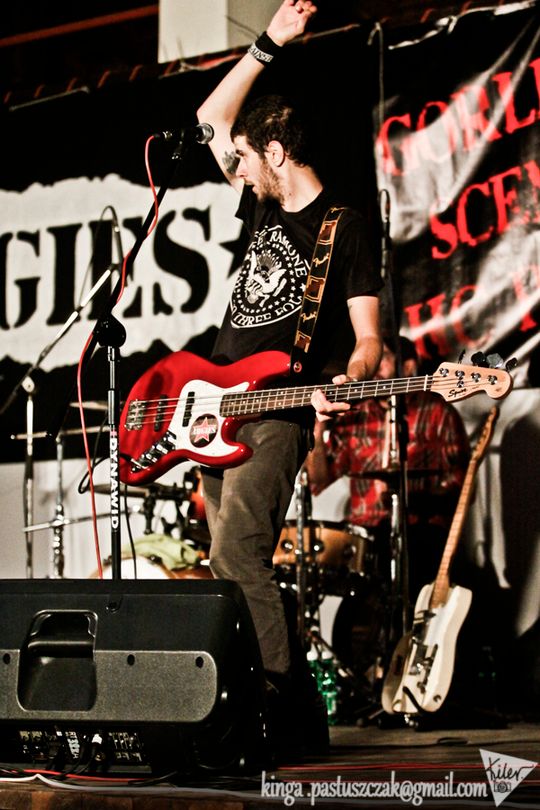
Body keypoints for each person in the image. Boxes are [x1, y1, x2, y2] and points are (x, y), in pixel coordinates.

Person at [196, 0, 383, 757]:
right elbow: (210, 119)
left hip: (279, 408)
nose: (238, 170)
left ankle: (287, 706)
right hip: (216, 405)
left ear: (275, 151)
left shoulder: (345, 225)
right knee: (224, 564)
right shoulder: (259, 207)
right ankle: (254, 704)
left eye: (247, 158)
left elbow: (369, 341)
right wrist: (268, 42)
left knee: (238, 552)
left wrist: (350, 380)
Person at [307, 335, 471, 605]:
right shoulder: (355, 415)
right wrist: (318, 427)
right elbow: (318, 479)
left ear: (408, 367)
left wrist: (419, 501)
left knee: (420, 588)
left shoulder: (437, 412)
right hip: (365, 539)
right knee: (352, 619)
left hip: (420, 533)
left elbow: (462, 484)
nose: (374, 369)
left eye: (382, 359)